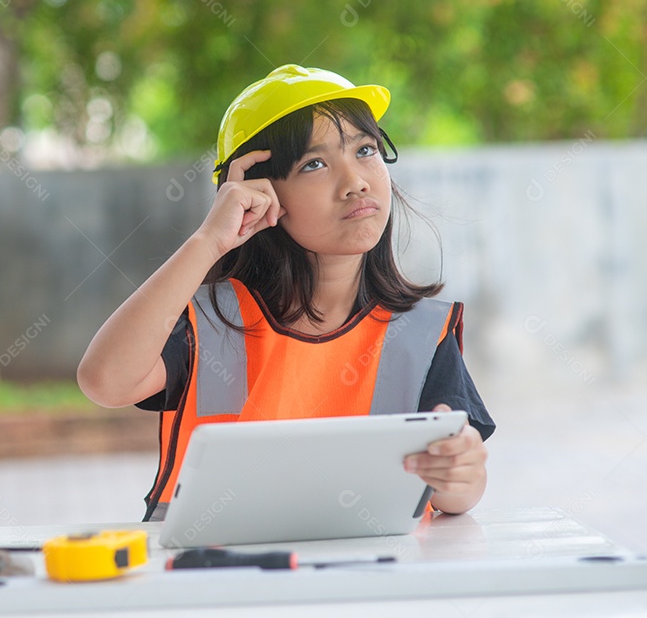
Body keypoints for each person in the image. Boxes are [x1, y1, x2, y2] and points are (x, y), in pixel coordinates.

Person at [77, 64, 495, 522]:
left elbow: (455, 494)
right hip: (215, 581)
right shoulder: (212, 321)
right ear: (257, 192)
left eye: (365, 149)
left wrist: (461, 475)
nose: (355, 180)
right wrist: (208, 241)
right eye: (314, 163)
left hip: (370, 585)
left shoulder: (421, 333)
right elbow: (105, 381)